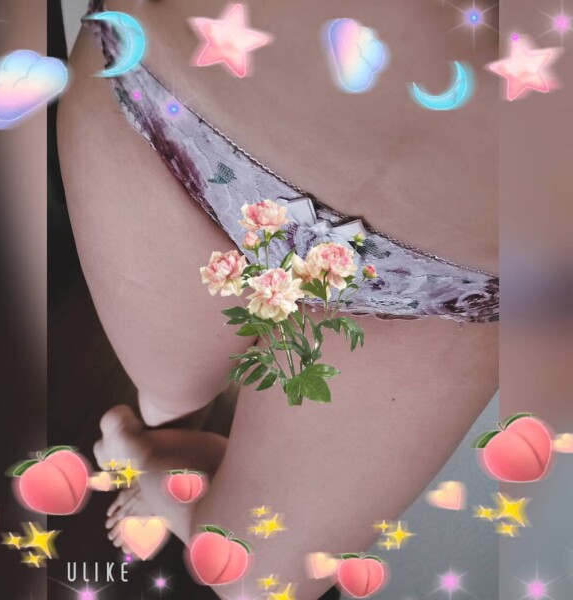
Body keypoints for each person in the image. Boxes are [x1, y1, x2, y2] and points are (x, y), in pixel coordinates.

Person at [57, 1, 499, 597]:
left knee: (259, 585)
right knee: (169, 393)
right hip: (179, 117)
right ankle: (157, 447)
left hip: (445, 282)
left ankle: (140, 454)